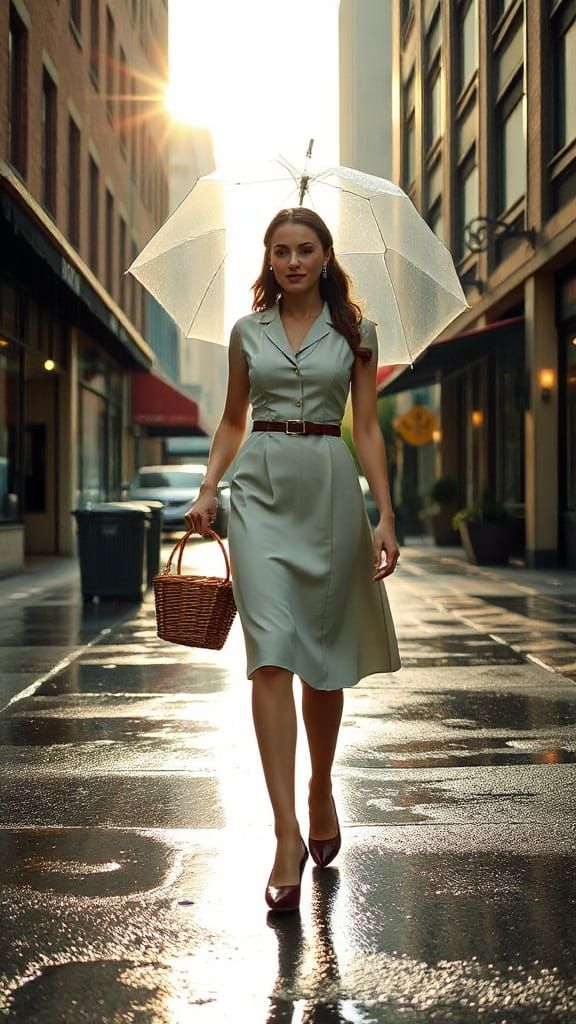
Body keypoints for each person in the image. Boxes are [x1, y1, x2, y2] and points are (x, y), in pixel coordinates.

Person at [185, 207, 401, 912]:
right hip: (259, 492)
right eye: (280, 250)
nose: (293, 261)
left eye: (305, 249)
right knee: (270, 652)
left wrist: (385, 515)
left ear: (326, 255)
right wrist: (209, 484)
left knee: (324, 660)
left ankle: (319, 787)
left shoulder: (357, 335)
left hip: (331, 492)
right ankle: (285, 833)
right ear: (269, 259)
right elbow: (231, 418)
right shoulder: (247, 333)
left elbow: (364, 427)